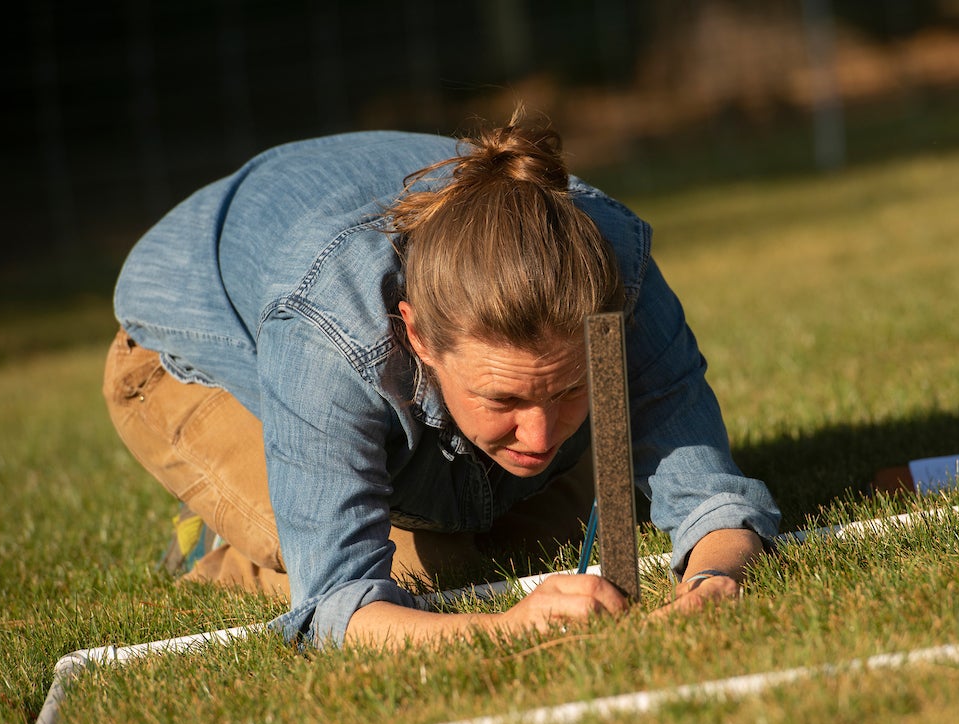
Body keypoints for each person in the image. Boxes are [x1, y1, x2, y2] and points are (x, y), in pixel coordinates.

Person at [103, 111, 780, 649]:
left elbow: (709, 496)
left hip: (347, 305)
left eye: (570, 387)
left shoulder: (612, 275)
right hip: (183, 355)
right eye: (506, 398)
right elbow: (340, 604)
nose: (539, 433)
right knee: (421, 573)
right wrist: (507, 627)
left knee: (570, 533)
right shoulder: (328, 330)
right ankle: (219, 540)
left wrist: (718, 577)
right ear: (417, 335)